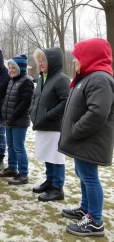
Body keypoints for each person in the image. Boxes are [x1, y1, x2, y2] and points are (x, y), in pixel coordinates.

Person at [58, 38, 114, 237]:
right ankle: (86, 209)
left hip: (90, 140)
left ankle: (95, 221)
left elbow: (98, 113)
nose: (74, 61)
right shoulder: (89, 77)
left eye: (77, 57)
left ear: (90, 57)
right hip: (83, 140)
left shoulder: (100, 78)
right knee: (83, 175)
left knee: (90, 177)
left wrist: (76, 131)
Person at [30, 47, 70, 201]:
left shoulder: (61, 79)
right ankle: (50, 181)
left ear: (52, 62)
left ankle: (58, 188)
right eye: (39, 61)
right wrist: (33, 111)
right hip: (42, 125)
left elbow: (66, 101)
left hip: (54, 127)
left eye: (43, 60)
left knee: (56, 157)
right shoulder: (42, 78)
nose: (40, 63)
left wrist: (48, 115)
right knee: (47, 154)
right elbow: (35, 98)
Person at [0, 55, 34, 185]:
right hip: (9, 120)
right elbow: (7, 98)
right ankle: (12, 168)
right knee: (11, 146)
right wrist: (3, 109)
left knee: (19, 147)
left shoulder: (26, 81)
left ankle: (23, 174)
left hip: (19, 121)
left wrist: (13, 115)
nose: (11, 70)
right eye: (10, 67)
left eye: (14, 67)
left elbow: (26, 102)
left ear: (21, 68)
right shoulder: (12, 80)